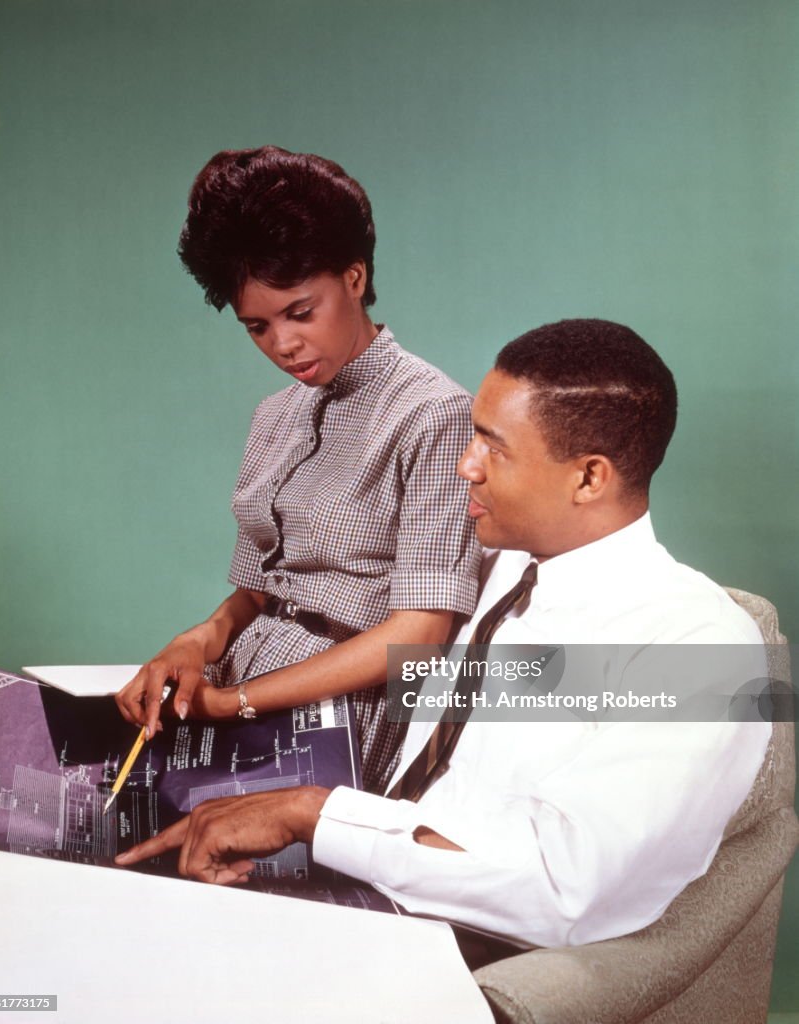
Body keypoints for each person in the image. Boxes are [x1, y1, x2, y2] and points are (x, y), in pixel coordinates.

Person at [116, 319, 769, 959]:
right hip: (351, 881)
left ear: (589, 478)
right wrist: (202, 641)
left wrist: (312, 815)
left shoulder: (707, 650)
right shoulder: (499, 563)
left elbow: (560, 888)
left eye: (493, 447)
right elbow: (307, 588)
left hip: (462, 945)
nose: (465, 466)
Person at [114, 147, 480, 794]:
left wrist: (237, 703)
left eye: (300, 313)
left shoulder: (434, 414)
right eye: (257, 326)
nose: (282, 345)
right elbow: (260, 594)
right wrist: (197, 641)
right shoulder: (275, 416)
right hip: (236, 702)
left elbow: (420, 635)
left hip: (337, 732)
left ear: (356, 277)